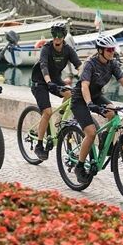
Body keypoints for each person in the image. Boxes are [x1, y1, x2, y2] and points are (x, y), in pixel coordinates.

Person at [71, 33, 123, 184]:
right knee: (91, 133)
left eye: (113, 49)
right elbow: (84, 85)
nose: (112, 52)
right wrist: (89, 103)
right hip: (80, 99)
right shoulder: (90, 64)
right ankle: (79, 166)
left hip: (96, 96)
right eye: (109, 49)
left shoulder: (112, 63)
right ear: (100, 50)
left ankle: (105, 140)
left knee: (114, 113)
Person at [29, 22, 82, 160]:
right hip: (40, 81)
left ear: (64, 36)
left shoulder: (68, 50)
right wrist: (48, 82)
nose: (57, 38)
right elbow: (44, 66)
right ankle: (39, 145)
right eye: (54, 35)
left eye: (60, 35)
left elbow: (79, 65)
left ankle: (60, 121)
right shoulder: (46, 48)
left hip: (55, 79)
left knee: (71, 94)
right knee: (47, 112)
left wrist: (85, 79)